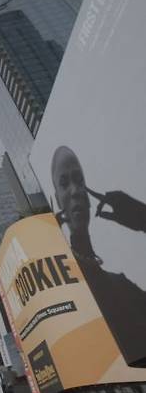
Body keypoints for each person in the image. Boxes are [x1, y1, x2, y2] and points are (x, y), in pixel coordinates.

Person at [51, 146, 146, 366]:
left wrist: (143, 218)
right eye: (64, 183)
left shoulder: (121, 284)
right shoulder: (70, 285)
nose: (75, 190)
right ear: (57, 199)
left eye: (79, 179)